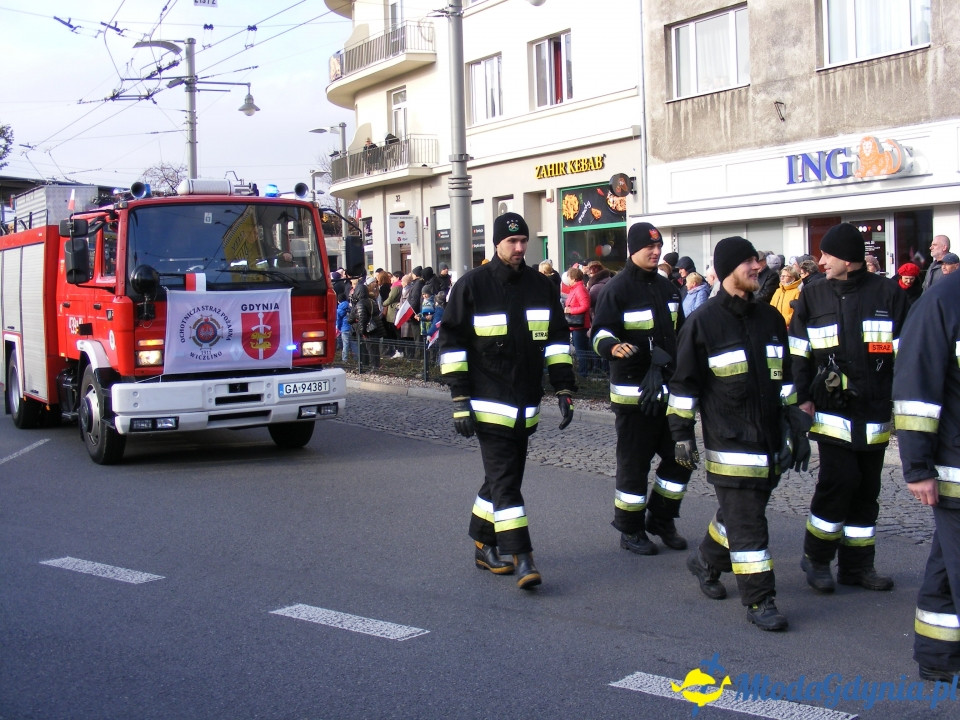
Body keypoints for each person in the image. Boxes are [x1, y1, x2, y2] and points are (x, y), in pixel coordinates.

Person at [668, 236, 805, 631]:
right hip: (730, 445)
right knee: (748, 524)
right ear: (729, 269)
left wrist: (795, 421)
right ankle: (760, 599)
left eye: (758, 262)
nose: (758, 268)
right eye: (749, 263)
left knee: (742, 514)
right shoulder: (703, 323)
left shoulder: (769, 319)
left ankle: (706, 560)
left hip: (769, 442)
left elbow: (785, 378)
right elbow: (683, 388)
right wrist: (682, 436)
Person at [437, 212, 577, 590]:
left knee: (502, 479)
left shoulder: (541, 286)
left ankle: (483, 542)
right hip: (487, 403)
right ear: (496, 244)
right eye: (511, 242)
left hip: (525, 404)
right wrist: (460, 397)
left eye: (523, 242)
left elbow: (558, 341)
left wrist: (564, 388)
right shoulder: (472, 286)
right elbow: (451, 344)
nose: (519, 248)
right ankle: (522, 556)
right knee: (507, 482)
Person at [789, 222, 910, 595]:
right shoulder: (813, 295)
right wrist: (800, 400)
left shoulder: (888, 293)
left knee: (867, 489)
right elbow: (798, 351)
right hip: (830, 410)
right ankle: (817, 558)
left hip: (873, 411)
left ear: (847, 259)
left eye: (827, 254)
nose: (821, 261)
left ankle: (857, 566)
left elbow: (905, 351)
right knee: (837, 482)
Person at [592, 222, 690, 556]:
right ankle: (630, 529)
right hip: (634, 397)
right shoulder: (616, 289)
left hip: (669, 393)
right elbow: (601, 331)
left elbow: (682, 334)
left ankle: (661, 518)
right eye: (649, 247)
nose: (655, 251)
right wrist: (611, 347)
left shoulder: (669, 289)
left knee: (682, 459)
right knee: (634, 465)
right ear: (632, 249)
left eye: (658, 246)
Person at [892, 269, 960, 683]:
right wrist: (917, 468)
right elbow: (916, 389)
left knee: (945, 564)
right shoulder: (943, 301)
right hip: (954, 470)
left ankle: (938, 655)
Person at [563, 266, 592, 376]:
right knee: (581, 350)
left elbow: (585, 306)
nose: (567, 280)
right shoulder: (576, 289)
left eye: (569, 277)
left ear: (574, 278)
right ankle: (583, 372)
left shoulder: (579, 289)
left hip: (580, 325)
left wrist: (571, 310)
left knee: (581, 352)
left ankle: (583, 374)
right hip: (575, 325)